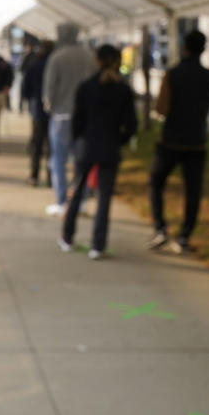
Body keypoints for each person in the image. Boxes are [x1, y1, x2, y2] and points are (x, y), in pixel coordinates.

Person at [57, 44, 137, 259]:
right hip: (110, 147)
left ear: (98, 60)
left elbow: (77, 121)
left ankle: (67, 236)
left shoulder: (86, 87)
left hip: (87, 146)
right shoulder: (124, 89)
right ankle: (97, 245)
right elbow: (131, 125)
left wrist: (77, 143)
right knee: (104, 198)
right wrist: (119, 140)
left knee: (77, 191)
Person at [148, 30, 209, 253]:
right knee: (193, 190)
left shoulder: (172, 74)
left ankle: (160, 228)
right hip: (197, 140)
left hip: (171, 140)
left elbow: (161, 108)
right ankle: (184, 236)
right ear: (203, 49)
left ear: (184, 48)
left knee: (156, 182)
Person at [43, 23, 96, 215]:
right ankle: (81, 200)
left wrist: (49, 107)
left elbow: (49, 91)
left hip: (61, 116)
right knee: (81, 160)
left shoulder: (57, 57)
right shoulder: (89, 56)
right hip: (85, 117)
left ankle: (61, 201)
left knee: (59, 159)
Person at [22, 40, 54, 186]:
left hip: (37, 109)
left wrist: (29, 100)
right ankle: (50, 177)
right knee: (51, 146)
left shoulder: (34, 65)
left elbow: (25, 89)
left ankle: (34, 176)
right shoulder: (55, 65)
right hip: (54, 110)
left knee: (37, 144)